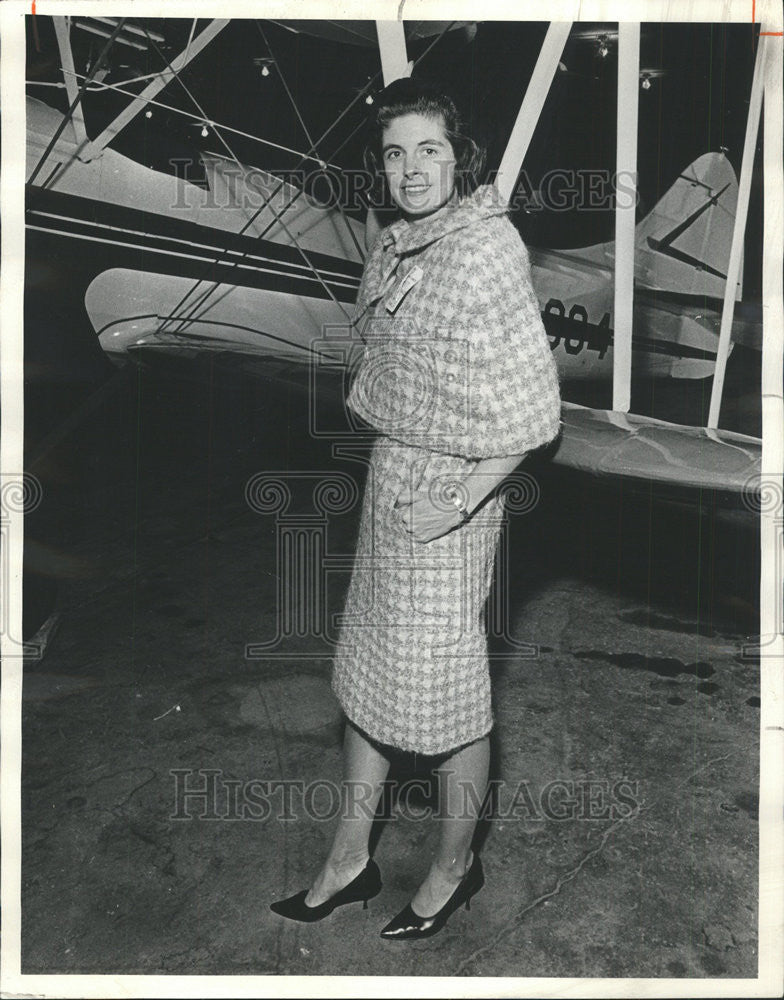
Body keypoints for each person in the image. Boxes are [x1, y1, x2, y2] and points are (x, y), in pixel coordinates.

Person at [270, 77, 561, 939]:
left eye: (430, 148)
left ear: (461, 155)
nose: (411, 168)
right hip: (394, 478)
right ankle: (348, 858)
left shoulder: (486, 247)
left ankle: (453, 866)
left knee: (445, 705)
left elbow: (535, 412)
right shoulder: (400, 242)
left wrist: (461, 500)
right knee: (367, 678)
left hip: (453, 496)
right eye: (395, 153)